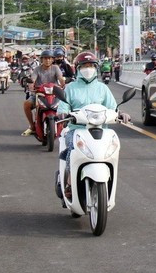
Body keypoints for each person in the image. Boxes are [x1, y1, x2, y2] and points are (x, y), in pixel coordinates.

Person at [57, 51, 127, 197]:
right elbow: (63, 108)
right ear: (77, 68)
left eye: (91, 65)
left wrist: (121, 114)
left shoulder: (103, 88)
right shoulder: (70, 88)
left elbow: (112, 107)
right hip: (77, 130)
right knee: (72, 148)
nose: (88, 69)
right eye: (84, 66)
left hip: (101, 130)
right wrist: (63, 114)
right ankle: (69, 183)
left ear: (96, 68)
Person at [22, 49, 65, 136]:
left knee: (66, 104)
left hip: (54, 94)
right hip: (39, 94)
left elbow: (60, 78)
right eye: (45, 58)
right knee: (26, 104)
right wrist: (31, 86)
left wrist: (63, 84)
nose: (47, 60)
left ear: (53, 59)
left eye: (49, 58)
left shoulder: (56, 68)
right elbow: (32, 80)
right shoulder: (37, 69)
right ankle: (32, 126)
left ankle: (64, 125)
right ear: (41, 59)